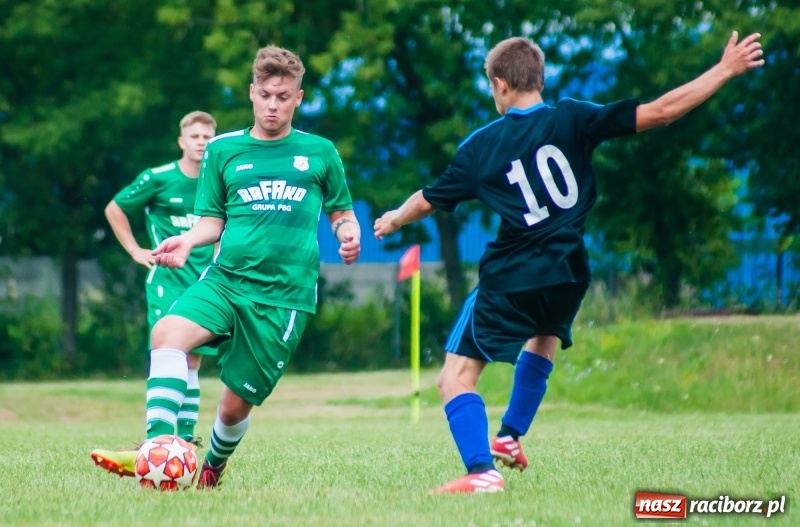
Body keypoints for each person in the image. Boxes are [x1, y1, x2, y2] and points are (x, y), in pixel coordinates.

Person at [374, 31, 764, 494]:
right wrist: (725, 69)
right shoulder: (574, 117)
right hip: (569, 272)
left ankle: (482, 471)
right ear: (540, 79)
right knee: (544, 335)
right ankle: (511, 435)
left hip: (512, 276)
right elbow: (661, 111)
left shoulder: (483, 146)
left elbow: (428, 199)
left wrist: (393, 219)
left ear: (500, 84)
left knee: (454, 378)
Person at [117, 44, 360, 490]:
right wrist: (188, 241)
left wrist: (348, 232)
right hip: (225, 280)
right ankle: (157, 447)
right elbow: (212, 221)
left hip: (283, 296)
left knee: (232, 408)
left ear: (298, 98)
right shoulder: (223, 150)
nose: (273, 105)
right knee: (166, 334)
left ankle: (212, 466)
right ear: (252, 93)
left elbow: (341, 212)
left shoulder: (321, 152)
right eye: (265, 95)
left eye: (283, 97)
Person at [91, 111, 218, 476]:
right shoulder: (158, 178)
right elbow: (115, 208)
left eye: (207, 136)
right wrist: (134, 249)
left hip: (203, 281)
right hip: (166, 280)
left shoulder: (217, 181)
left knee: (193, 361)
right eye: (194, 136)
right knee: (169, 353)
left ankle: (186, 441)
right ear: (181, 141)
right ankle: (157, 441)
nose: (200, 142)